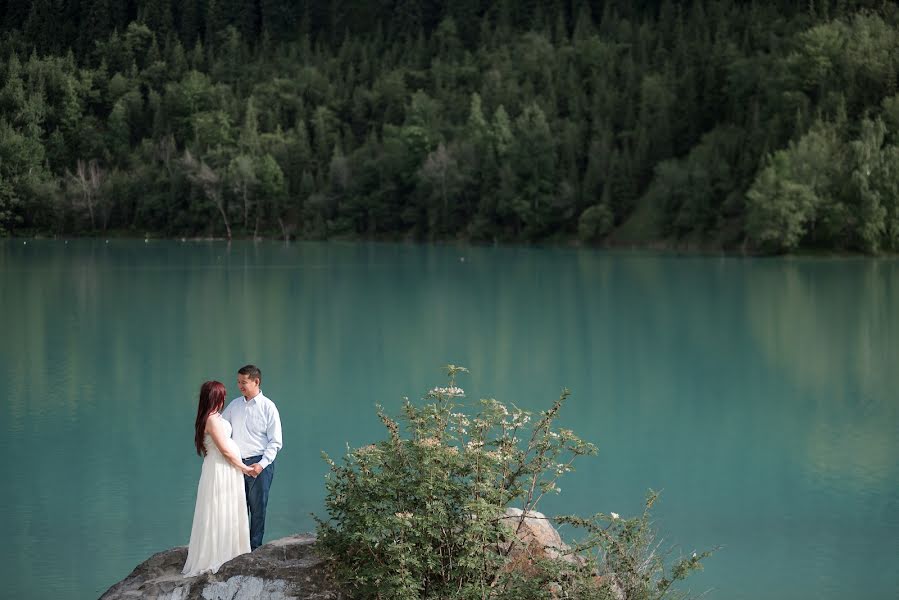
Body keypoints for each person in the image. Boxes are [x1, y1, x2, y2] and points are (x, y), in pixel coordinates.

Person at [182, 381, 253, 577]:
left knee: (224, 508)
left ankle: (228, 550)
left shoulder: (213, 417)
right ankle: (218, 553)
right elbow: (225, 451)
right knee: (219, 508)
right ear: (216, 397)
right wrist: (245, 468)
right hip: (221, 469)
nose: (224, 399)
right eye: (222, 395)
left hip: (225, 469)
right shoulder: (212, 420)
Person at [222, 364, 283, 550]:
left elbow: (276, 442)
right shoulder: (234, 405)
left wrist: (261, 464)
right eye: (238, 382)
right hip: (237, 464)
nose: (240, 385)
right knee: (237, 508)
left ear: (256, 381)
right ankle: (237, 547)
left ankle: (255, 548)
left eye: (244, 382)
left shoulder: (268, 407)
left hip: (260, 464)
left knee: (257, 509)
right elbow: (221, 429)